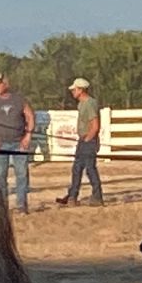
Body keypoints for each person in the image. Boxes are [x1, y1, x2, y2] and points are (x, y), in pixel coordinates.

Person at [0, 74, 35, 213]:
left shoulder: (19, 99)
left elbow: (30, 116)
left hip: (19, 142)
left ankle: (21, 205)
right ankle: (2, 206)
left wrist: (28, 135)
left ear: (6, 84)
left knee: (22, 173)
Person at [56, 77, 103, 206]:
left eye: (75, 89)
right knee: (77, 168)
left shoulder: (89, 103)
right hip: (84, 139)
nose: (73, 92)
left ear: (81, 90)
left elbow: (95, 124)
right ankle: (72, 195)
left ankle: (97, 196)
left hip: (88, 140)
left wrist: (89, 138)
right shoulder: (82, 104)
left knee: (89, 169)